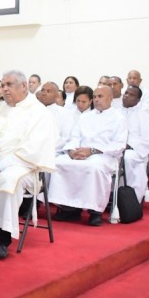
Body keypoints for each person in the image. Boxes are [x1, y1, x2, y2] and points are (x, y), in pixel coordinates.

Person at [0, 70, 57, 259]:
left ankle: (2, 238)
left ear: (24, 86)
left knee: (7, 180)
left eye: (9, 85)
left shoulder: (39, 112)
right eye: (3, 85)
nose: (4, 89)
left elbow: (33, 149)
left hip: (23, 165)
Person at [49, 86, 127, 226]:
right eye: (95, 97)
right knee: (59, 163)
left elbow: (119, 144)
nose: (96, 100)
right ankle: (69, 208)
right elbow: (75, 137)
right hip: (80, 153)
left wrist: (92, 150)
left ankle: (94, 212)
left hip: (104, 155)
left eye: (100, 96)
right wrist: (72, 151)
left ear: (110, 98)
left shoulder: (119, 118)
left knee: (93, 167)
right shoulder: (85, 116)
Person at [121, 85, 149, 203]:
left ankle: (130, 199)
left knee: (127, 158)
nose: (127, 96)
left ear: (138, 100)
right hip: (114, 149)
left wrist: (129, 145)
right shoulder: (114, 113)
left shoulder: (144, 116)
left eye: (131, 95)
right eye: (126, 93)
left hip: (135, 152)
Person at [37, 81, 75, 152]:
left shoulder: (65, 113)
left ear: (56, 95)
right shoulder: (32, 111)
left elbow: (65, 138)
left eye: (48, 91)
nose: (44, 93)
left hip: (54, 151)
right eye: (42, 90)